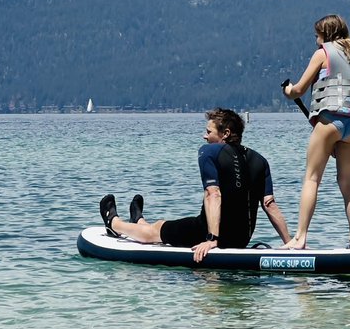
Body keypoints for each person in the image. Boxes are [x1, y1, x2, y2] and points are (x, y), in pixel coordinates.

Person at [99, 107, 291, 263]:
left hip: (206, 232)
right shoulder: (260, 160)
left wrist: (212, 239)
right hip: (241, 239)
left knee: (154, 232)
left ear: (225, 133)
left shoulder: (210, 152)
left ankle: (114, 223)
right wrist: (290, 244)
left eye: (208, 132)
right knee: (159, 226)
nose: (204, 137)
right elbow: (269, 205)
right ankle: (138, 220)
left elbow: (213, 193)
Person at [283, 14, 350, 249]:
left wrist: (288, 91)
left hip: (329, 121)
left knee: (312, 178)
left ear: (326, 34)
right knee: (346, 182)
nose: (316, 40)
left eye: (317, 35)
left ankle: (299, 238)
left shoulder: (323, 53)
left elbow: (299, 89)